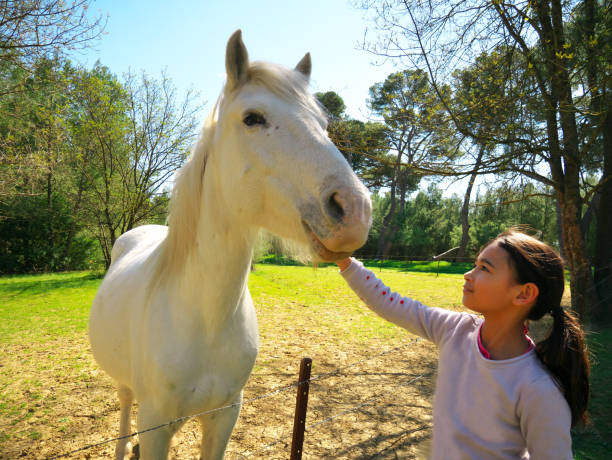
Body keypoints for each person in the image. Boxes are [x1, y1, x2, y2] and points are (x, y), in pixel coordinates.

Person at [335, 228, 589, 459]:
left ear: (523, 294)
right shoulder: (454, 329)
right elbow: (390, 302)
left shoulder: (539, 390)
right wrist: (343, 260)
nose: (468, 275)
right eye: (474, 265)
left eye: (484, 269)